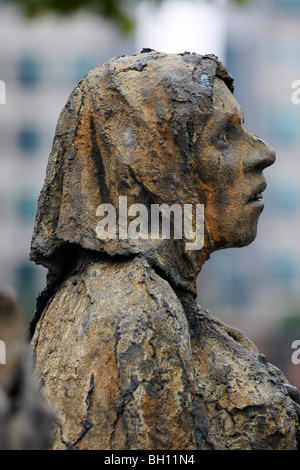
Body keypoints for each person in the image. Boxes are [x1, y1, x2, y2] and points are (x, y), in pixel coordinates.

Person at [30, 50, 300, 450]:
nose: (263, 153)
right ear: (156, 169)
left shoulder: (155, 301)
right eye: (225, 135)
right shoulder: (129, 312)